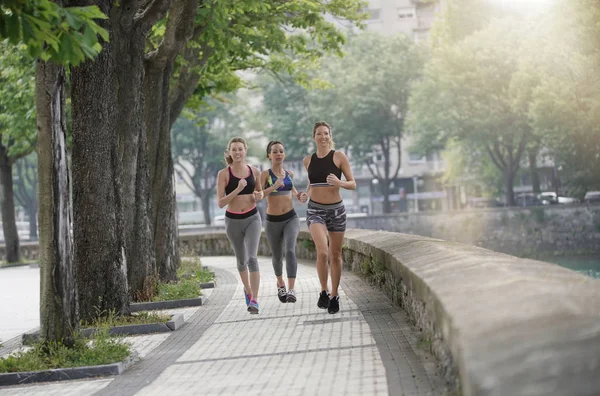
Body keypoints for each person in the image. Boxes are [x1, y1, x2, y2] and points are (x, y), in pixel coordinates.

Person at [302, 121, 355, 314]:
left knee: (336, 255)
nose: (323, 137)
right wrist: (305, 194)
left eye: (326, 133)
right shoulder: (308, 160)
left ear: (329, 136)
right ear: (314, 137)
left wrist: (339, 181)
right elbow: (311, 184)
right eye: (319, 134)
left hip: (337, 211)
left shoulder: (339, 157)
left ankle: (334, 295)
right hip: (315, 210)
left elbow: (353, 183)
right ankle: (323, 290)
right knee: (322, 252)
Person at [217, 137, 264, 314]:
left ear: (245, 151)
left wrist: (259, 196)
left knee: (252, 258)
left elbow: (258, 193)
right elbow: (221, 202)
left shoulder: (255, 171)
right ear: (229, 152)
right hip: (233, 221)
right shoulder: (224, 174)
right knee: (241, 261)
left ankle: (255, 300)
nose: (237, 152)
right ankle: (247, 289)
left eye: (240, 149)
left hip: (252, 218)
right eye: (234, 149)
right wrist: (237, 189)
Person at [260, 141, 304, 304]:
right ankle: (280, 283)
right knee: (277, 255)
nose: (278, 154)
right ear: (269, 155)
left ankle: (292, 289)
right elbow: (258, 195)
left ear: (284, 154)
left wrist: (300, 196)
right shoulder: (265, 174)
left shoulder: (289, 174)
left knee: (290, 250)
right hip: (272, 221)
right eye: (275, 151)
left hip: (290, 218)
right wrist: (273, 187)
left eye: (281, 151)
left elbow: (293, 192)